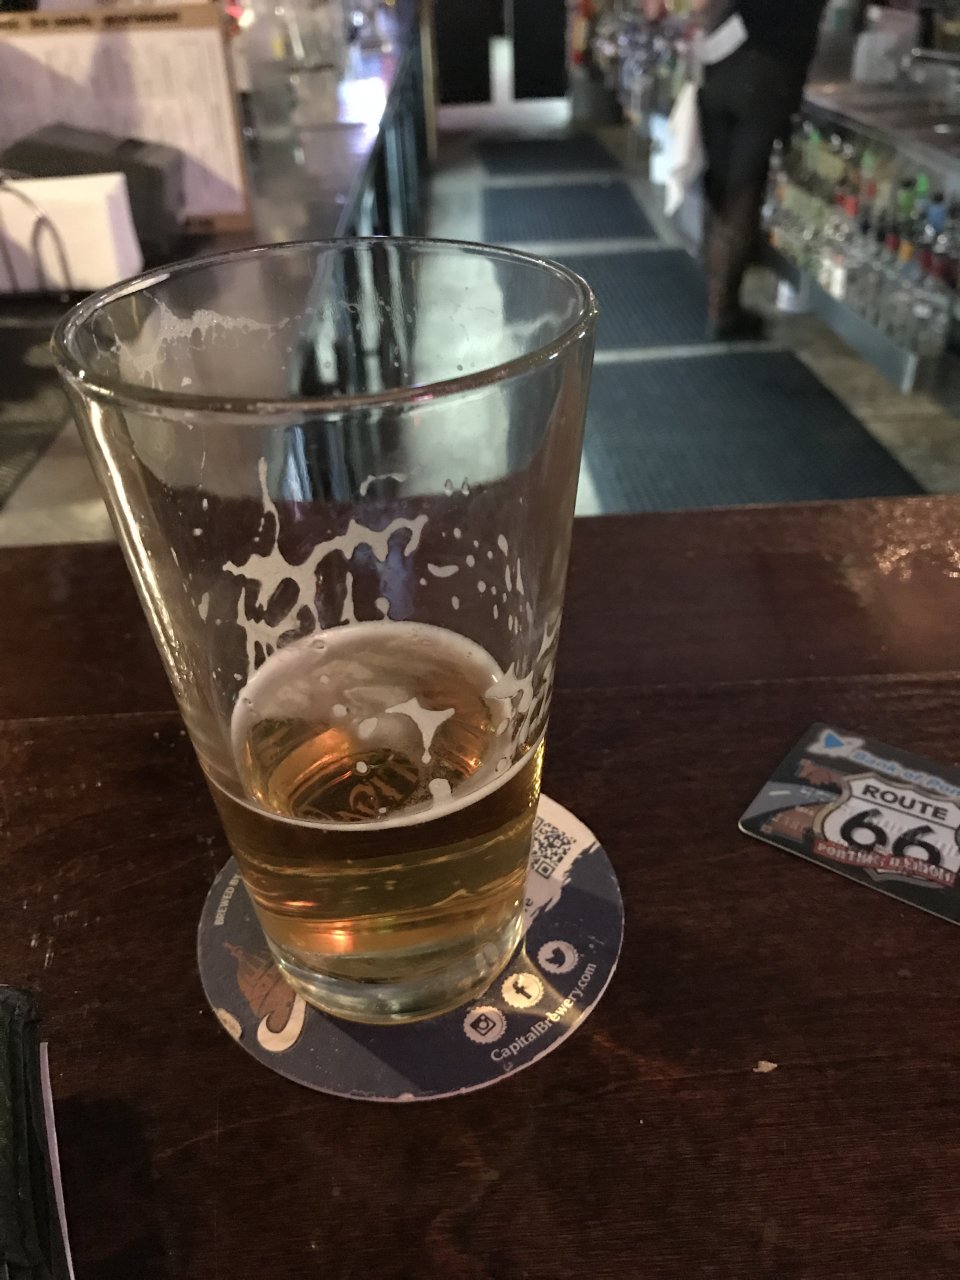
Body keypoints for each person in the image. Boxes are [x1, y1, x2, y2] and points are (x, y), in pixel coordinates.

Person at [697, 0, 828, 339]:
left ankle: (714, 287)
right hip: (768, 77)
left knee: (723, 185)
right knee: (743, 193)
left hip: (721, 65)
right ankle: (722, 308)